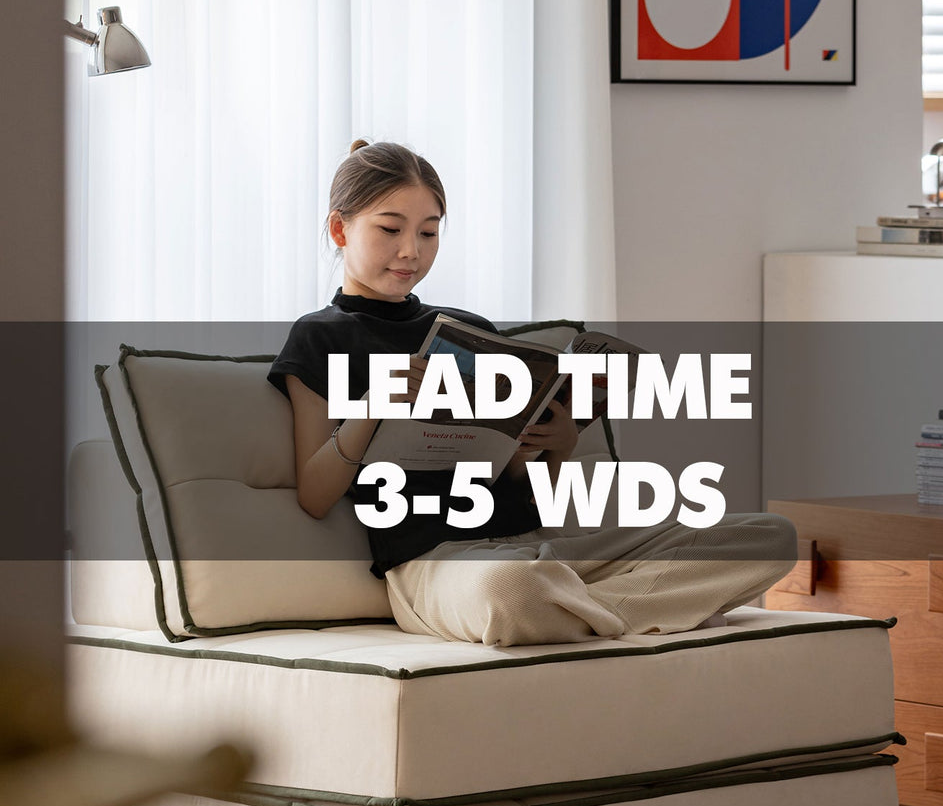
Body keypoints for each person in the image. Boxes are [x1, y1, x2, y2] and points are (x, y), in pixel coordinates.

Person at [270, 139, 796, 646]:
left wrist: (559, 442)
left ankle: (577, 610)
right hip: (436, 563)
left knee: (770, 537)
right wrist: (370, 408)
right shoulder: (322, 335)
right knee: (514, 590)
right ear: (340, 230)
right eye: (390, 229)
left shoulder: (465, 329)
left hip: (534, 545)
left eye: (429, 233)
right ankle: (633, 610)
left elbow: (524, 485)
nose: (411, 251)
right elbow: (315, 496)